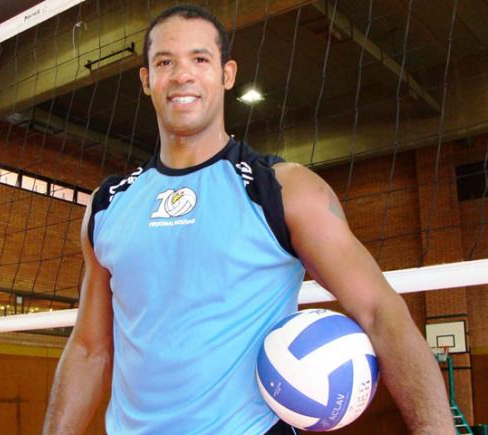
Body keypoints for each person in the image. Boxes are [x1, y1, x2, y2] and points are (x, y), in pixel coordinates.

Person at [43, 5, 454, 434]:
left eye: (200, 59)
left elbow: (380, 312)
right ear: (146, 80)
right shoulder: (109, 204)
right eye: (165, 62)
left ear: (227, 74)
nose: (182, 75)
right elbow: (89, 349)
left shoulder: (283, 190)